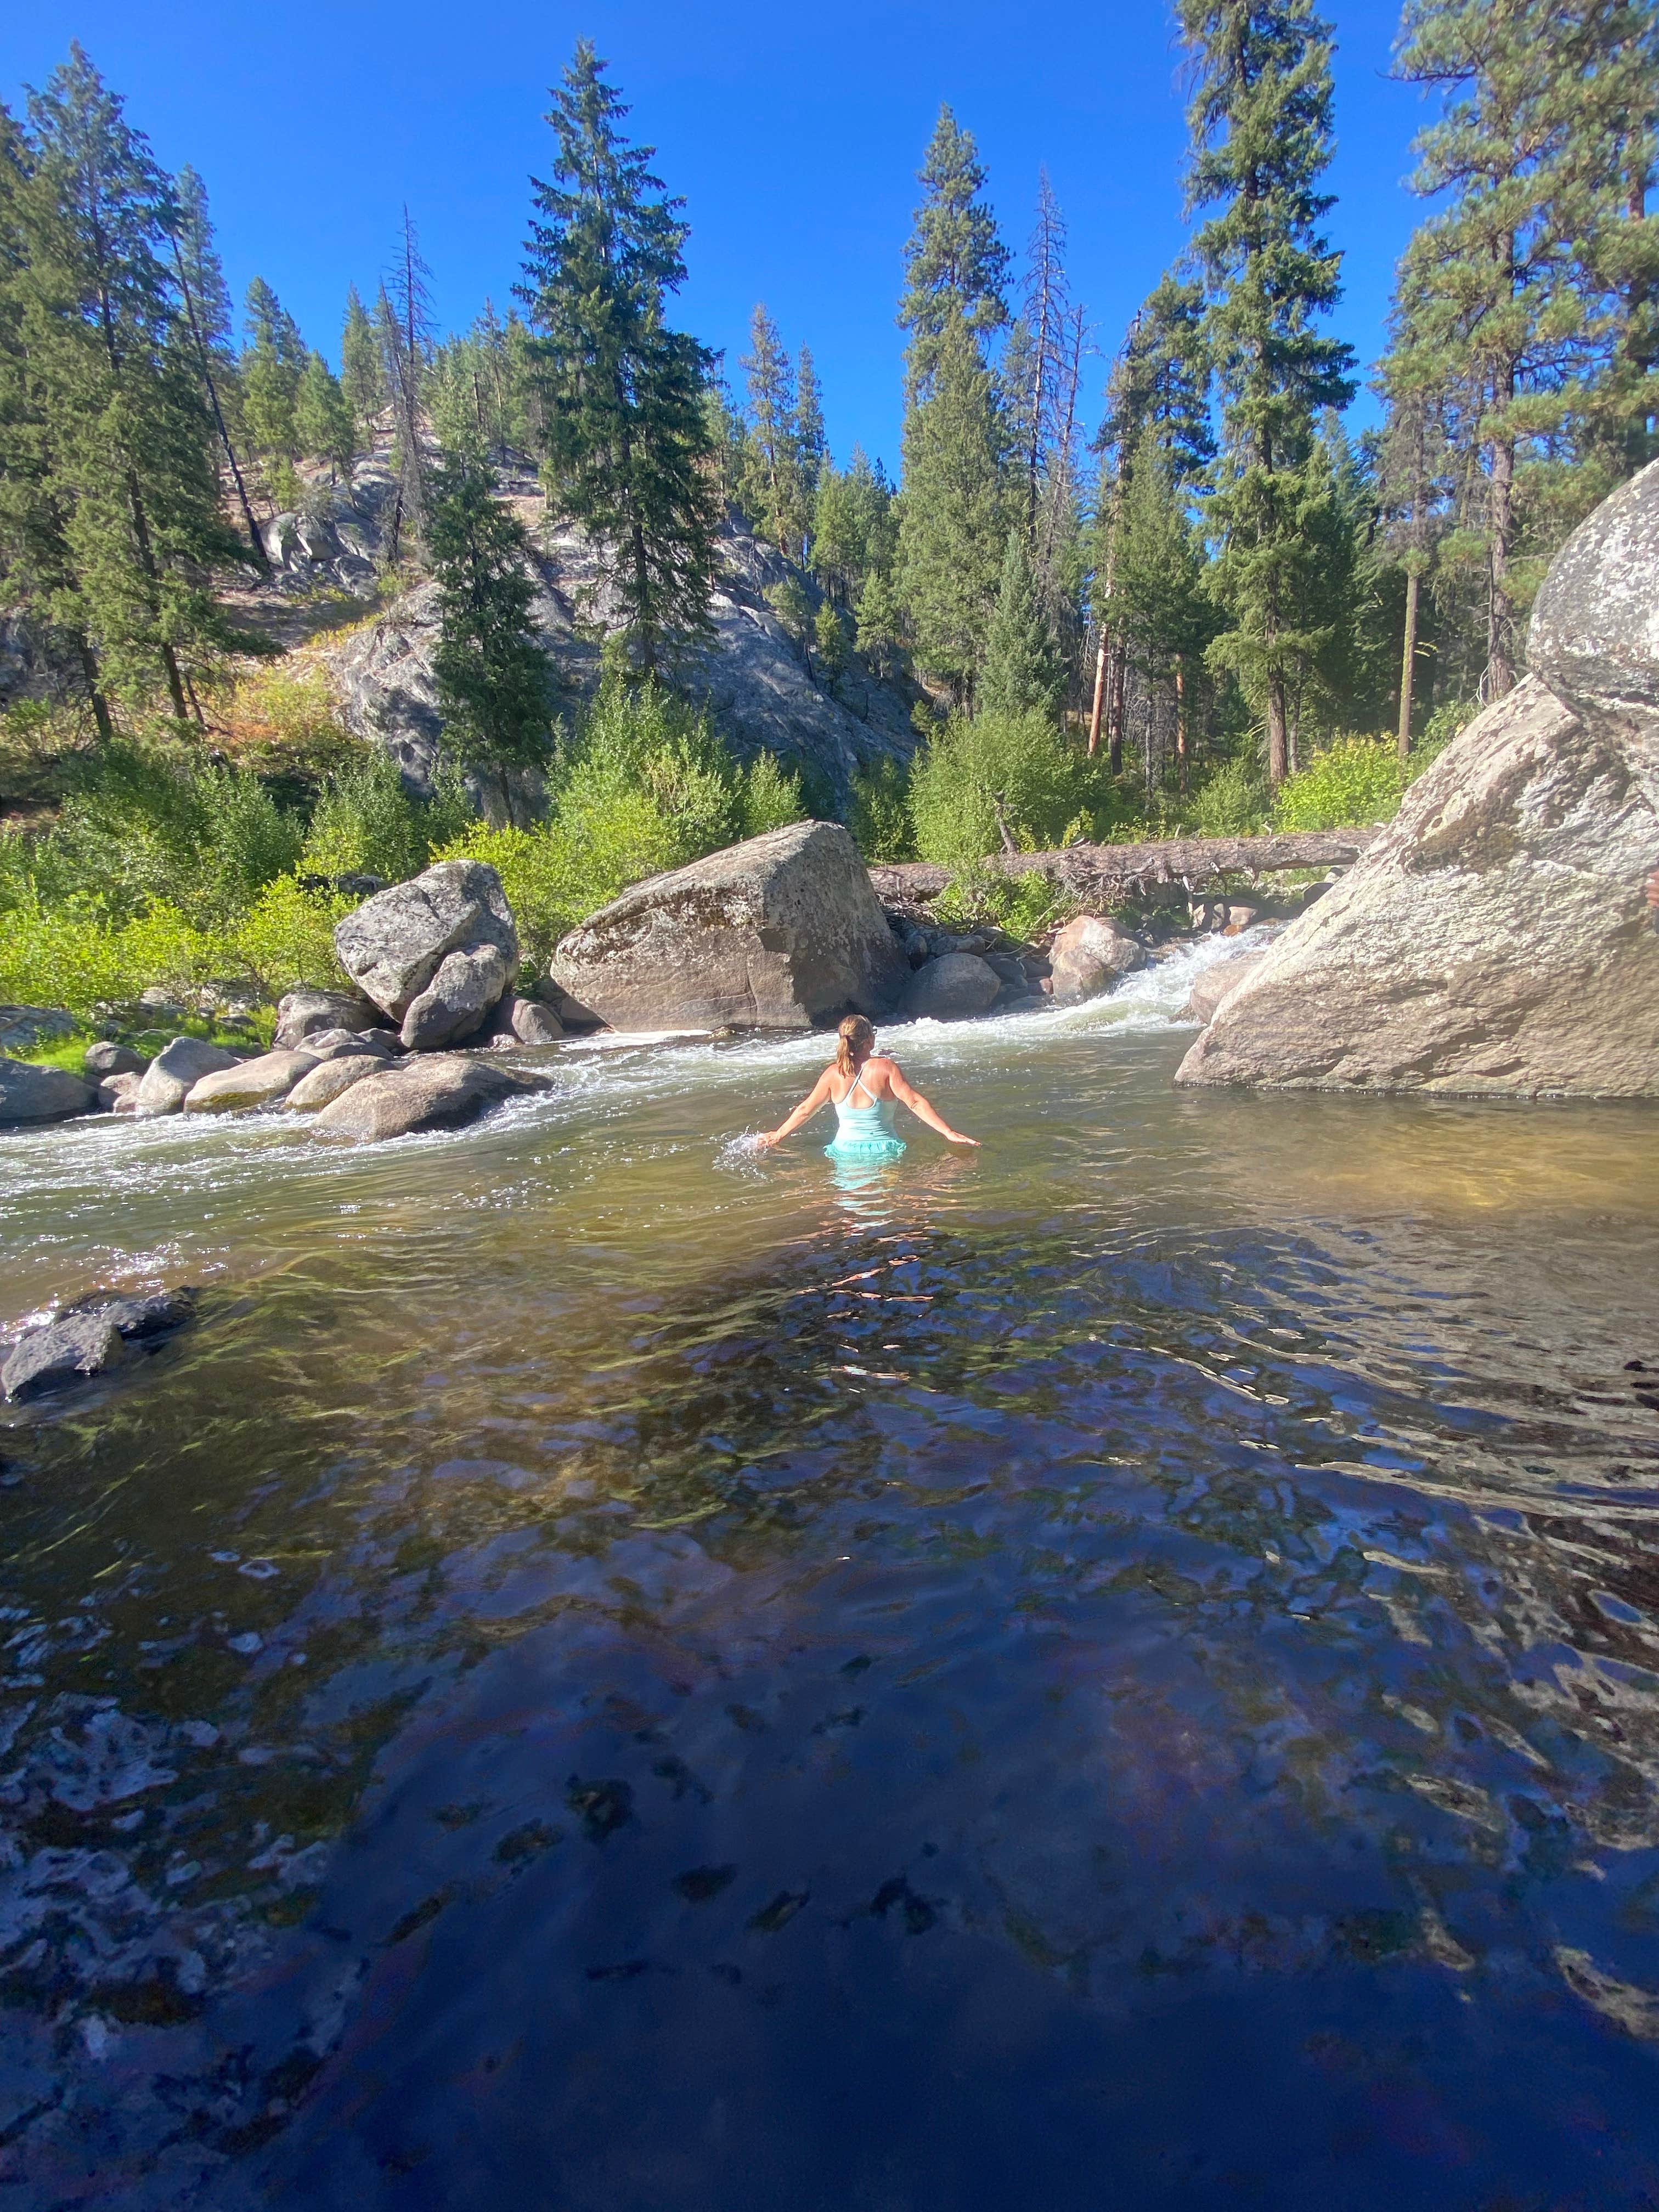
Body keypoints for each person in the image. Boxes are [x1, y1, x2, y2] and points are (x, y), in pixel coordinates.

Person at [757, 1014, 979, 1154]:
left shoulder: (833, 1073)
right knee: (886, 1211)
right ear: (871, 1041)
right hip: (885, 1150)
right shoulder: (886, 1067)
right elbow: (914, 1102)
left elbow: (806, 1110)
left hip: (844, 1151)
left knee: (854, 1211)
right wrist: (948, 1132)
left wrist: (779, 1134)